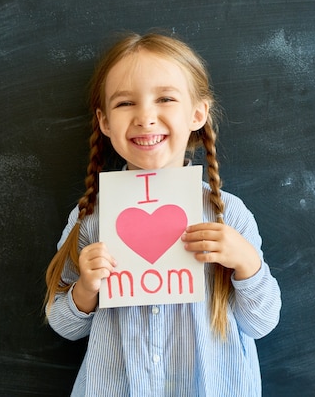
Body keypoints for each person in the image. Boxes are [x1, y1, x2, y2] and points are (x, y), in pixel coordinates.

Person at [44, 31, 281, 396]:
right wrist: (86, 289)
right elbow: (64, 326)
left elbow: (261, 323)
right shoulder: (91, 219)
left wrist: (247, 264)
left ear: (198, 114)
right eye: (125, 104)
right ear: (105, 122)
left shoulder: (226, 214)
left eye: (166, 98)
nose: (145, 117)